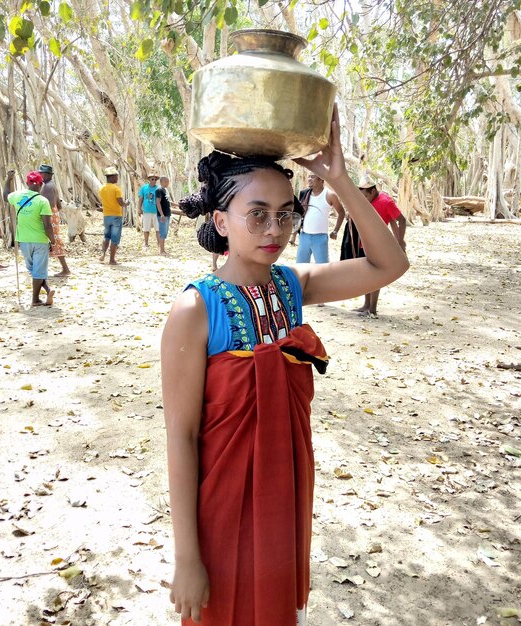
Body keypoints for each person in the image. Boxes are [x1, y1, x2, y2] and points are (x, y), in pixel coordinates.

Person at [161, 106, 409, 625]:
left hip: (285, 489)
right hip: (222, 507)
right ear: (220, 220)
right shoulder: (195, 311)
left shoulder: (293, 286)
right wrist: (187, 557)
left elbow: (391, 265)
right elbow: (181, 438)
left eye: (285, 213)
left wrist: (337, 178)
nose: (274, 227)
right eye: (256, 213)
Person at [341, 175, 407, 317]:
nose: (364, 198)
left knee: (375, 274)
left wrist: (400, 241)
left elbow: (400, 220)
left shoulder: (386, 201)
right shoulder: (366, 201)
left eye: (365, 195)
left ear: (372, 191)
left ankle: (372, 309)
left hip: (379, 244)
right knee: (366, 274)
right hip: (363, 242)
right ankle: (366, 305)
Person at [3, 170, 56, 307]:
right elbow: (47, 225)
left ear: (27, 183)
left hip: (24, 240)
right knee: (38, 270)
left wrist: (9, 179)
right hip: (40, 240)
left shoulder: (17, 195)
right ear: (40, 184)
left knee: (33, 269)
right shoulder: (42, 201)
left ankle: (47, 290)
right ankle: (35, 299)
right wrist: (53, 241)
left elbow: (5, 196)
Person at [295, 173, 344, 264]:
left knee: (323, 267)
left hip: (320, 238)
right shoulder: (304, 193)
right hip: (304, 236)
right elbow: (299, 213)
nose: (309, 179)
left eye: (312, 177)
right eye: (309, 176)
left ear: (321, 179)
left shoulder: (330, 195)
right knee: (300, 266)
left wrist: (335, 231)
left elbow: (341, 212)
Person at [38, 164, 71, 276]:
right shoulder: (51, 185)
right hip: (54, 214)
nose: (40, 175)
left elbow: (49, 205)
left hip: (49, 215)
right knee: (53, 241)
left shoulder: (47, 186)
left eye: (41, 173)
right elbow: (59, 205)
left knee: (53, 241)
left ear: (46, 175)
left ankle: (65, 269)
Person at [99, 166, 129, 265]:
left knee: (106, 236)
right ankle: (112, 260)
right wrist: (126, 203)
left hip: (106, 216)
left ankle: (103, 254)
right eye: (116, 176)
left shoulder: (102, 188)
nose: (117, 178)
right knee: (115, 238)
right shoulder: (116, 189)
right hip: (116, 216)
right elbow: (120, 203)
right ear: (111, 177)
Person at [137, 173, 160, 251]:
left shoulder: (159, 189)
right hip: (146, 211)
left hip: (157, 212)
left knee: (158, 228)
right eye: (152, 179)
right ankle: (146, 243)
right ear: (149, 180)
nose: (154, 181)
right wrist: (139, 209)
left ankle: (159, 244)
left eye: (155, 179)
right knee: (146, 228)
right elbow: (140, 199)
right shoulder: (144, 188)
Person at [156, 175, 172, 255]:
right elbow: (158, 202)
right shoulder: (159, 190)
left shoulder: (165, 190)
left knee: (165, 232)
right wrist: (161, 214)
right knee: (162, 232)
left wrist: (178, 205)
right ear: (161, 182)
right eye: (166, 181)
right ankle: (161, 251)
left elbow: (168, 202)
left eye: (168, 181)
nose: (167, 183)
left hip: (167, 214)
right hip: (163, 215)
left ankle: (163, 249)